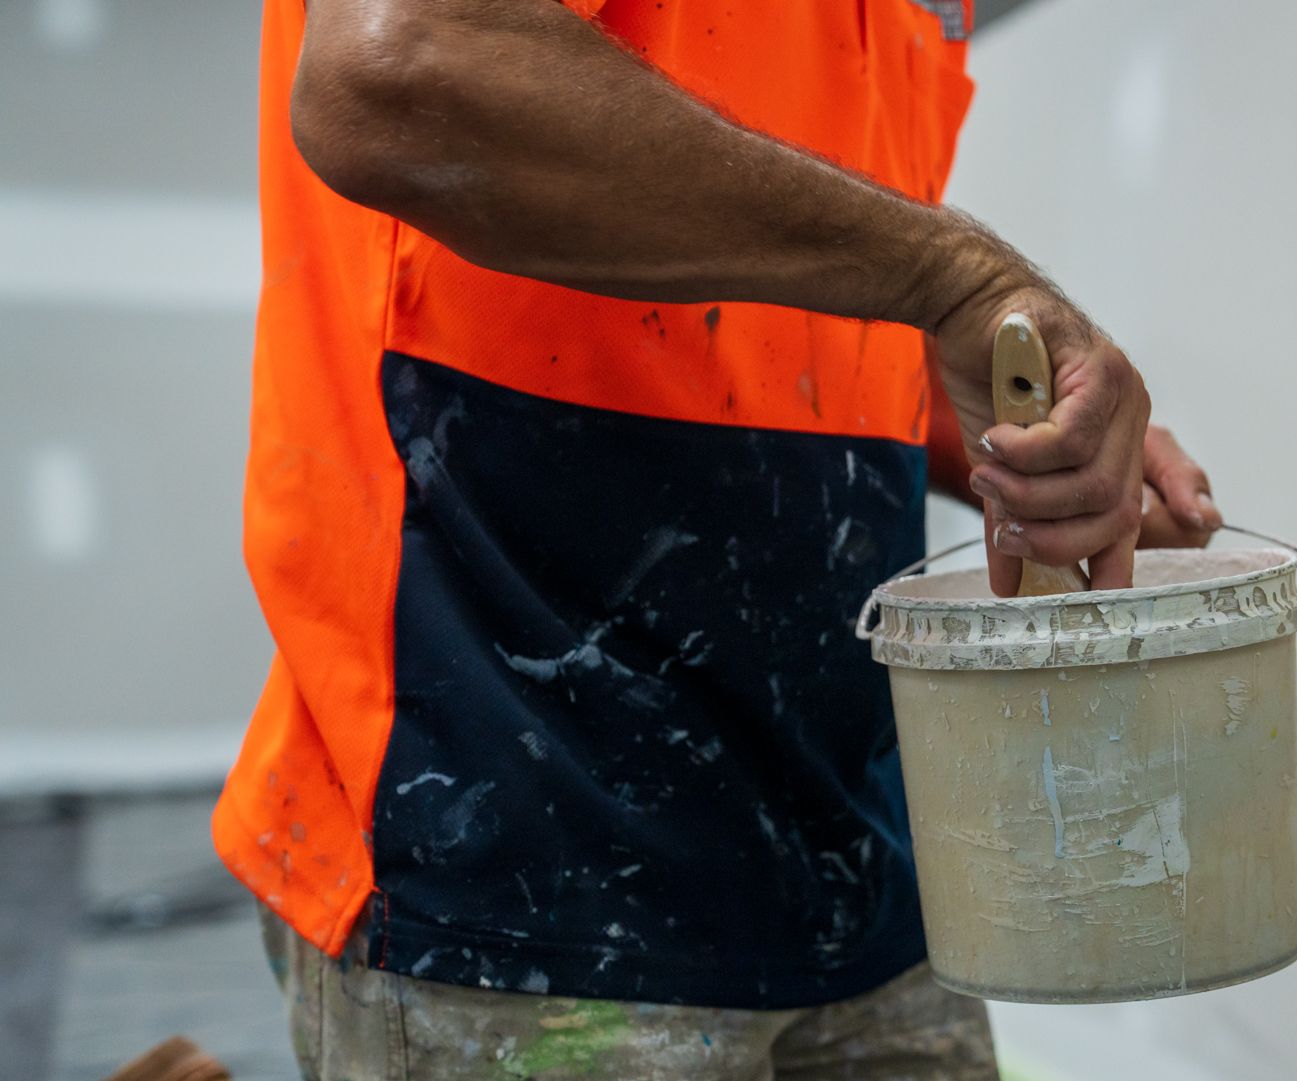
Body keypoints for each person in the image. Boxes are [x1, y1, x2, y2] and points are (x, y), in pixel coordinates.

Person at [201, 1, 1223, 1078]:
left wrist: (1025, 438)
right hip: (513, 849)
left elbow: (774, 285)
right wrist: (955, 279)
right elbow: (403, 68)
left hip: (853, 853)